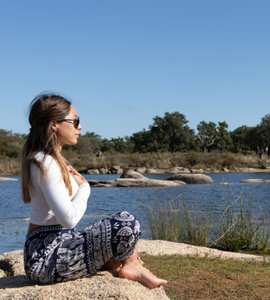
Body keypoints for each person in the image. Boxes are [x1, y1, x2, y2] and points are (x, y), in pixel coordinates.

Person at [21, 93, 167, 289]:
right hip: (44, 257)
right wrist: (85, 188)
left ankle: (126, 262)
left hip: (58, 244)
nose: (79, 127)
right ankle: (132, 265)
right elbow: (69, 219)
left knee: (121, 242)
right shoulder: (46, 162)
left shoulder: (52, 160)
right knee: (125, 222)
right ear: (54, 123)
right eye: (75, 121)